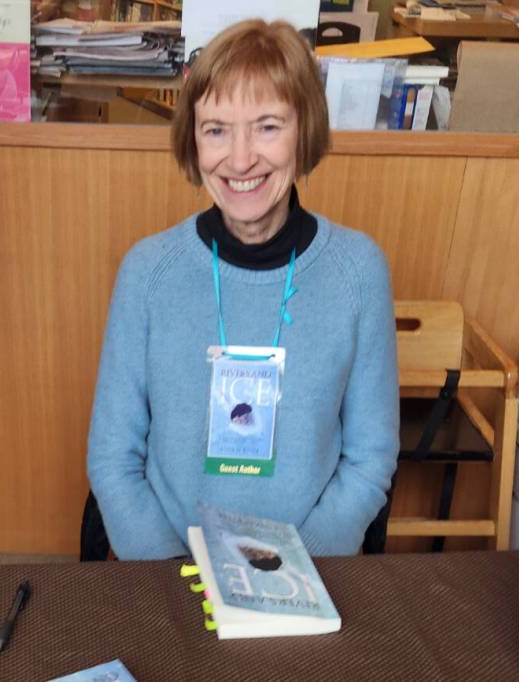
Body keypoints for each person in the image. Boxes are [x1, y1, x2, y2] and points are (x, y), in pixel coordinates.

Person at [86, 19, 399, 560]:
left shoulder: (359, 271)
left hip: (307, 576)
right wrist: (175, 579)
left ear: (305, 132)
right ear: (194, 142)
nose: (239, 159)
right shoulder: (148, 272)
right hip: (171, 577)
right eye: (216, 130)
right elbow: (113, 461)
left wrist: (293, 573)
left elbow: (370, 460)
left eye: (267, 126)